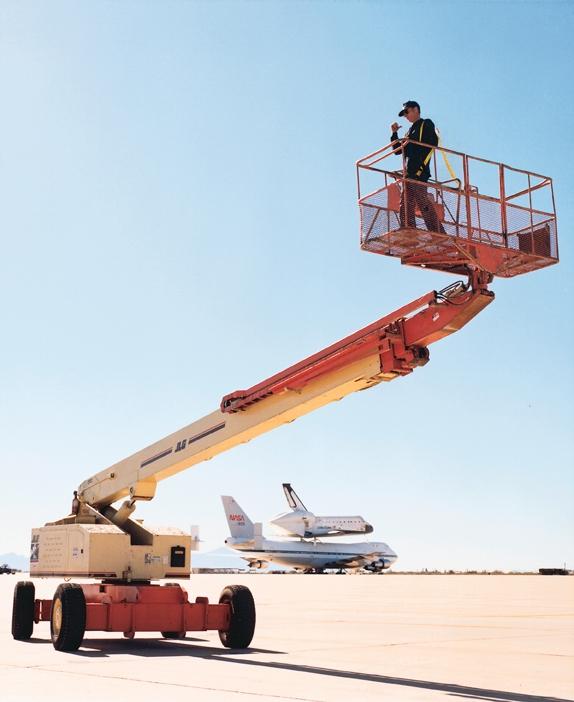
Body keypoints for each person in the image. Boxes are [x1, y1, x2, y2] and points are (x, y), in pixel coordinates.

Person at [390, 100, 445, 234]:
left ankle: (438, 233)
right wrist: (395, 134)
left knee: (422, 202)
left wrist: (408, 144)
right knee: (405, 203)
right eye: (404, 114)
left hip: (420, 172)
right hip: (409, 174)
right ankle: (408, 230)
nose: (406, 116)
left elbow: (431, 143)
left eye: (407, 112)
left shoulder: (426, 124)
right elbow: (398, 150)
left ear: (416, 110)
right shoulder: (409, 132)